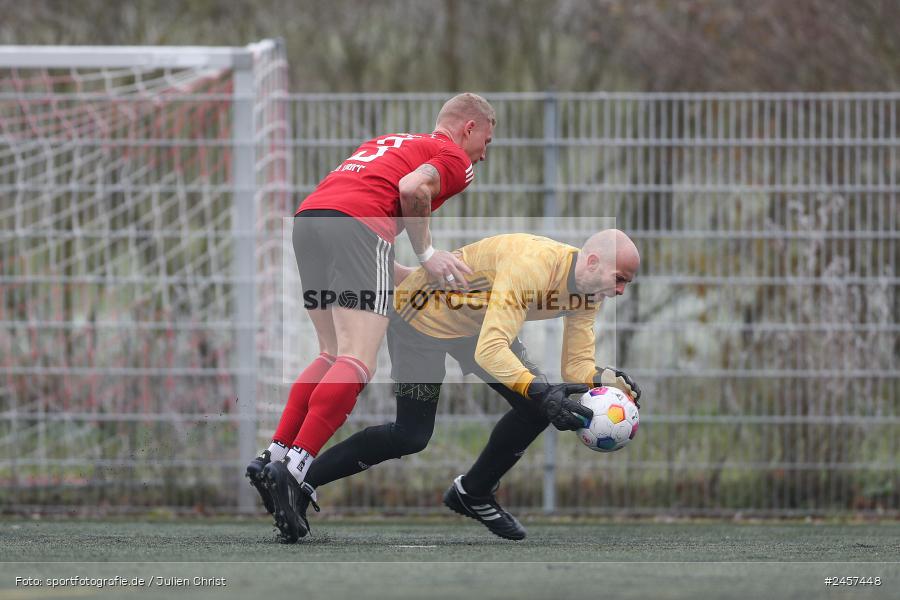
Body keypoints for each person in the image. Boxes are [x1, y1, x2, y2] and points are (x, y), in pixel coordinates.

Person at [270, 229, 642, 542]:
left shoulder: (589, 291)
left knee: (535, 408)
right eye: (620, 279)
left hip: (478, 324)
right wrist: (542, 392)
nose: (621, 290)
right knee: (411, 435)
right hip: (420, 318)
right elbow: (492, 351)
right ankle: (301, 480)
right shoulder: (533, 265)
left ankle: (473, 491)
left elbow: (574, 366)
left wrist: (601, 378)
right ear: (593, 262)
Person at [244, 93, 496, 542]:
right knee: (359, 361)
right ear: (469, 128)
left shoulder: (393, 141)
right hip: (359, 223)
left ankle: (273, 454)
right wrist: (429, 254)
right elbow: (411, 190)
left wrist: (420, 275)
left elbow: (372, 259)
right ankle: (296, 467)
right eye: (486, 141)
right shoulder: (454, 156)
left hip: (311, 220)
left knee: (331, 351)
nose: (484, 153)